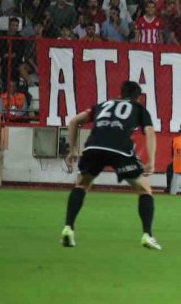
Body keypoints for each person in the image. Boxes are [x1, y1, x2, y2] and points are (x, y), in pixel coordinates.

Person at [61, 80, 161, 250]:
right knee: (145, 190)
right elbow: (149, 132)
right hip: (119, 149)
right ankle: (147, 235)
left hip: (94, 147)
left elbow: (74, 122)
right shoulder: (139, 108)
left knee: (82, 185)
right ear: (138, 98)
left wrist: (73, 149)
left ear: (120, 94)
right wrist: (151, 161)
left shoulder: (102, 105)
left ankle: (68, 227)